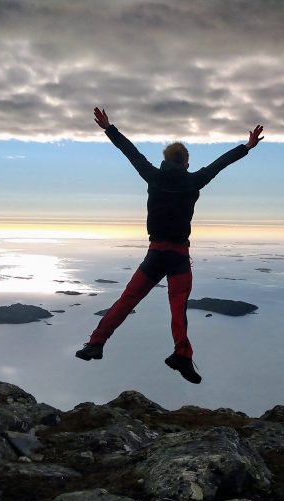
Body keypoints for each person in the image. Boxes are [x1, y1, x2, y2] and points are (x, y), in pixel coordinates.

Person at [75, 106, 264, 384]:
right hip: (178, 256)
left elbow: (131, 153)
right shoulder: (194, 180)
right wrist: (246, 146)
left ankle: (95, 343)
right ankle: (182, 356)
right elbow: (219, 164)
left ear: (166, 160)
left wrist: (108, 127)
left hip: (155, 255)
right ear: (186, 162)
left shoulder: (154, 175)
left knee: (127, 301)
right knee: (178, 308)